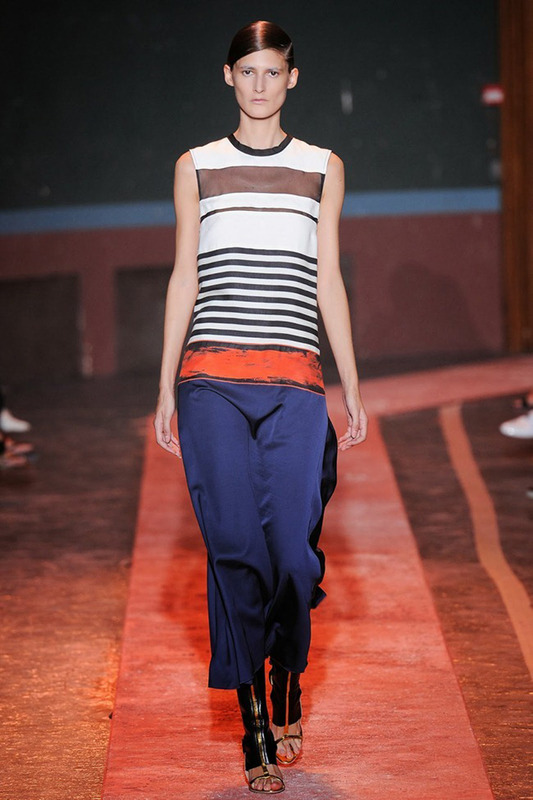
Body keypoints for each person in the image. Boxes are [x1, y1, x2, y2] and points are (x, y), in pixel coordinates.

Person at [154, 20, 367, 794]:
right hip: (209, 380)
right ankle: (253, 726)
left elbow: (326, 278)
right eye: (246, 71)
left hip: (294, 382)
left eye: (271, 71)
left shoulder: (322, 167)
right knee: (234, 549)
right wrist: (164, 385)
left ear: (292, 78)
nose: (259, 85)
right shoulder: (196, 166)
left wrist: (350, 382)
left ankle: (287, 673)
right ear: (228, 76)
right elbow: (184, 274)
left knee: (292, 556)